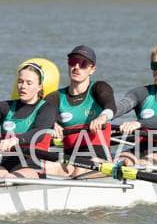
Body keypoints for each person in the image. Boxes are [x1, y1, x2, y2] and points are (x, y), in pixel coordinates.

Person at [0, 62, 58, 180]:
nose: (23, 86)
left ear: (40, 86)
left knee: (11, 178)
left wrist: (15, 140)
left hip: (33, 165)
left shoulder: (47, 108)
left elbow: (39, 132)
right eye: (20, 81)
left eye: (29, 83)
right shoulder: (4, 107)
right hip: (5, 163)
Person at [45, 46, 115, 177]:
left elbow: (111, 107)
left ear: (92, 69)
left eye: (83, 64)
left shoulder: (99, 88)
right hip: (70, 159)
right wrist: (51, 124)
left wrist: (102, 118)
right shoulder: (55, 97)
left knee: (80, 170)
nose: (76, 67)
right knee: (45, 168)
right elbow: (40, 116)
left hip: (98, 158)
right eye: (73, 62)